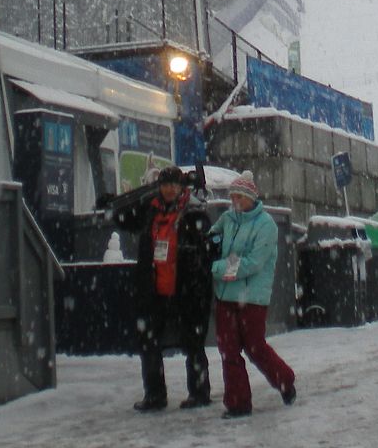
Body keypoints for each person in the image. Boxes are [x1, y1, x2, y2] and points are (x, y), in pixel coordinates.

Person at [112, 165, 214, 412]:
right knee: (149, 341)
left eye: (174, 185)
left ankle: (199, 393)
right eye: (165, 185)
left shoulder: (193, 212)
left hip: (186, 289)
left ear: (182, 188)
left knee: (193, 341)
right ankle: (155, 395)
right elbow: (121, 217)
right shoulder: (151, 210)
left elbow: (207, 248)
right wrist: (128, 198)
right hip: (154, 288)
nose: (169, 189)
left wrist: (198, 281)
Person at [210, 171, 296, 419]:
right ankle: (237, 403)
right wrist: (210, 242)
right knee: (228, 349)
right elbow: (213, 236)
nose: (235, 201)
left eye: (240, 197)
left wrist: (215, 268)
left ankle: (285, 381)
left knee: (255, 346)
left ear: (251, 198)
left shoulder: (266, 225)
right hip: (226, 296)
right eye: (233, 196)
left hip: (252, 298)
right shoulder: (228, 219)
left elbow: (253, 263)